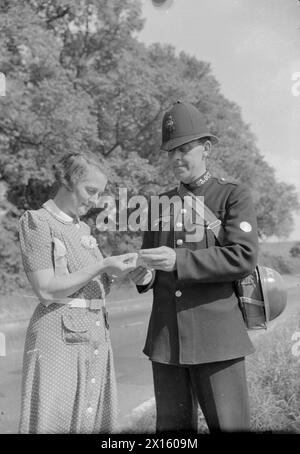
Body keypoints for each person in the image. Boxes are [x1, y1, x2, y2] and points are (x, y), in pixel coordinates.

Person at [129, 101, 258, 433]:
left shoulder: (232, 196)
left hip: (218, 341)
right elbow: (152, 268)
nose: (176, 157)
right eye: (171, 150)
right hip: (167, 342)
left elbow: (242, 256)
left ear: (207, 148)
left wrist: (179, 261)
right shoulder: (158, 203)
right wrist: (142, 275)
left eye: (185, 148)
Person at [18, 151, 138, 434]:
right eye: (90, 191)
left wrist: (119, 271)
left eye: (100, 193)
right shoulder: (38, 221)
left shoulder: (82, 227)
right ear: (66, 181)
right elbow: (46, 290)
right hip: (59, 337)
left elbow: (84, 281)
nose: (95, 201)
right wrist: (102, 265)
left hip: (94, 335)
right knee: (57, 420)